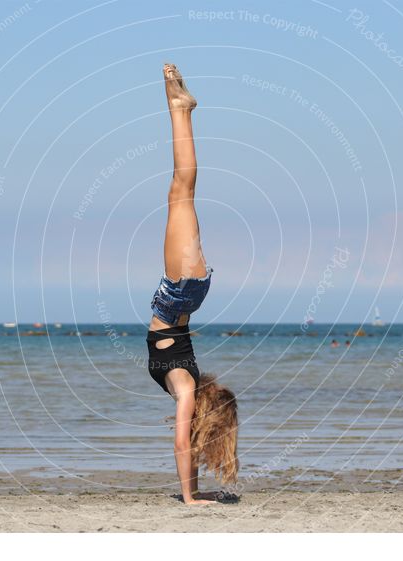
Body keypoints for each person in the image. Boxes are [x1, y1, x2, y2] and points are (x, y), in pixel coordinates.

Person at [146, 64, 239, 505]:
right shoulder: (184, 386)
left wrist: (195, 495)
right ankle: (179, 109)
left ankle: (180, 109)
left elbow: (188, 443)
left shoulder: (189, 384)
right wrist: (189, 500)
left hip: (187, 295)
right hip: (180, 291)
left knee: (180, 191)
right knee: (182, 190)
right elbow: (183, 445)